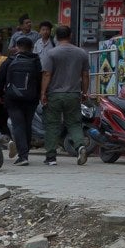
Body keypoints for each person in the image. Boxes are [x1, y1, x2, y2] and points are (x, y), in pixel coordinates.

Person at [40, 25, 90, 166]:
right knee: (74, 123)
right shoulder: (81, 53)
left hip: (54, 94)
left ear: (56, 37)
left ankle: (51, 157)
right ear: (70, 35)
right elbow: (85, 75)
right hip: (73, 94)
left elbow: (47, 74)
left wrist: (43, 92)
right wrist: (84, 92)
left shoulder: (51, 53)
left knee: (52, 125)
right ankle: (80, 146)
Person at [0, 36, 42, 166]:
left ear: (17, 47)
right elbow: (40, 79)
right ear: (31, 47)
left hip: (13, 98)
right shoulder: (35, 60)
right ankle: (25, 152)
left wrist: (0, 94)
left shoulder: (10, 60)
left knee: (18, 125)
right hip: (31, 98)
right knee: (27, 125)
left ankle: (23, 156)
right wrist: (39, 94)